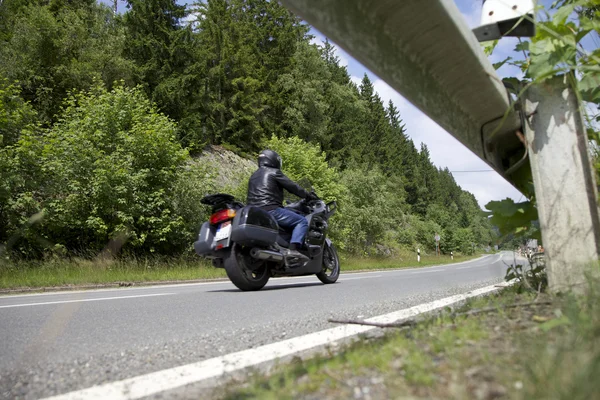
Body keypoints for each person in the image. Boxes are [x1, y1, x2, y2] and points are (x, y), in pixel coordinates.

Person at [246, 149, 317, 260]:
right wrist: (307, 195)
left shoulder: (253, 176)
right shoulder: (273, 172)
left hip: (254, 211)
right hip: (270, 209)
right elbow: (292, 187)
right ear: (273, 160)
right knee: (301, 221)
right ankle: (293, 250)